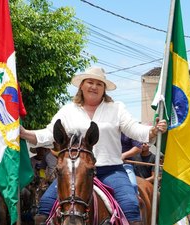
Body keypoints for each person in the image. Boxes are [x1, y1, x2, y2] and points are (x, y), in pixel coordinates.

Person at [20, 66, 167, 225]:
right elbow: (50, 133)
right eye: (90, 82)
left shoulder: (116, 108)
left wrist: (152, 131)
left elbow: (133, 129)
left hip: (111, 170)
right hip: (76, 172)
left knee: (130, 207)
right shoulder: (68, 110)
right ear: (81, 86)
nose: (94, 87)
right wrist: (25, 133)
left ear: (104, 89)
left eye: (99, 84)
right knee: (44, 208)